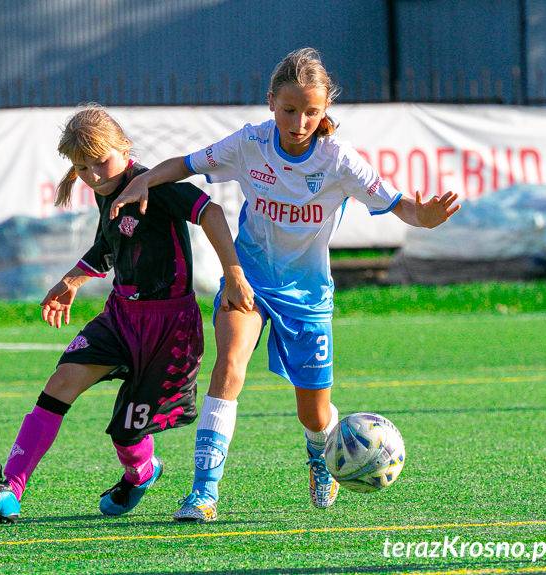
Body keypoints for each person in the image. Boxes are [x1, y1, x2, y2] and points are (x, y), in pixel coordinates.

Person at [109, 47, 461, 521]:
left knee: (315, 417)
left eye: (311, 113)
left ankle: (320, 455)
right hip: (248, 281)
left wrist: (425, 217)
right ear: (271, 101)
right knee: (229, 368)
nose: (299, 123)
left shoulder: (340, 161)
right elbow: (186, 164)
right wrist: (143, 182)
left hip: (309, 296)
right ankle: (202, 494)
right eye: (290, 110)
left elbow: (399, 204)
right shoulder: (250, 143)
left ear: (325, 111)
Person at [0, 105, 254, 523]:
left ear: (125, 147)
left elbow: (209, 211)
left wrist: (233, 273)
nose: (95, 176)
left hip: (168, 328)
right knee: (60, 383)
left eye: (101, 162)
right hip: (120, 317)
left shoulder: (154, 183)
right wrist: (71, 281)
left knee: (126, 432)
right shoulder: (106, 192)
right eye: (82, 168)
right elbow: (107, 249)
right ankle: (10, 488)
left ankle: (141, 472)